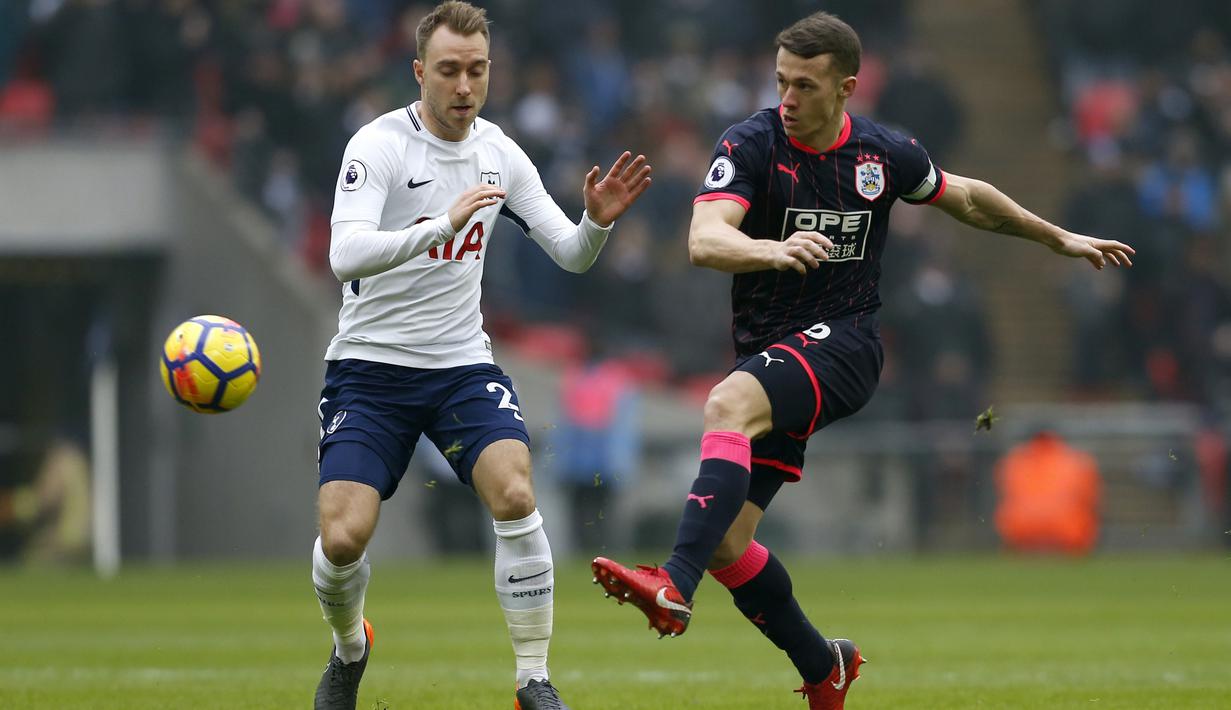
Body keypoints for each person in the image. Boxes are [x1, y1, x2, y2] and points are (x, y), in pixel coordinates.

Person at [590, 11, 1133, 710]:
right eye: (781, 82)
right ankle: (824, 667)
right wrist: (770, 250)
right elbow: (703, 238)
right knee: (728, 542)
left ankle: (672, 582)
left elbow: (965, 196)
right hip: (772, 355)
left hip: (843, 345)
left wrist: (1054, 236)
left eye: (805, 87)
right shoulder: (750, 144)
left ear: (845, 88)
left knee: (725, 404)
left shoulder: (882, 154)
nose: (786, 99)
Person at [311, 3, 652, 709]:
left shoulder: (499, 151)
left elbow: (570, 254)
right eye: (448, 71)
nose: (464, 85)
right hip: (369, 370)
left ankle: (533, 678)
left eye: (476, 70)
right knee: (343, 538)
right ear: (418, 73)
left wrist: (595, 222)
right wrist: (442, 225)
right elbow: (343, 255)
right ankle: (350, 649)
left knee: (516, 492)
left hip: (461, 366)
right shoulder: (377, 146)